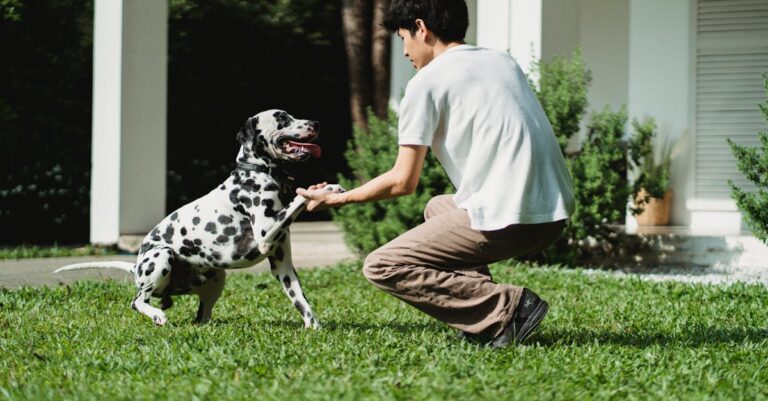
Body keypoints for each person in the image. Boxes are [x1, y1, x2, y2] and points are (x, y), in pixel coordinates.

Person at [296, 0, 574, 347]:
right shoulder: (501, 61)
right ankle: (490, 322)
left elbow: (403, 181)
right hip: (552, 215)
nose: (405, 51)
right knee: (439, 207)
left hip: (513, 221)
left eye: (403, 38)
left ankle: (507, 308)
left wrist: (339, 197)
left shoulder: (426, 82)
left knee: (382, 266)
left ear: (421, 28)